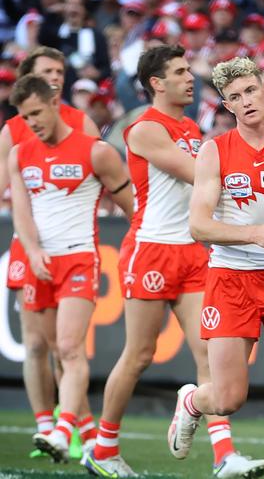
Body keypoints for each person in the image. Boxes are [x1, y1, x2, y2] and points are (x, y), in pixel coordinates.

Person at [82, 45, 264, 478]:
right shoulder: (144, 129)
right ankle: (103, 449)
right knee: (139, 354)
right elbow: (200, 175)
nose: (191, 78)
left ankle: (224, 457)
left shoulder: (188, 126)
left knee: (209, 353)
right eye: (181, 72)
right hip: (151, 249)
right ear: (156, 83)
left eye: (189, 70)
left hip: (191, 252)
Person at [169, 56, 264, 479]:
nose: (246, 101)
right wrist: (254, 234)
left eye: (251, 91)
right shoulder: (214, 150)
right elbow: (199, 225)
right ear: (227, 105)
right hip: (229, 278)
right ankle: (192, 402)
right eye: (235, 97)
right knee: (228, 398)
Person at [7, 73, 132, 463]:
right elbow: (21, 213)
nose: (32, 123)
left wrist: (137, 245)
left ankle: (62, 432)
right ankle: (89, 435)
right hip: (39, 262)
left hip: (79, 257)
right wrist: (32, 250)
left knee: (69, 348)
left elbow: (133, 206)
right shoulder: (19, 154)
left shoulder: (95, 151)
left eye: (37, 113)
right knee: (52, 352)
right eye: (25, 118)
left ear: (55, 104)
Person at [0, 45, 101, 459]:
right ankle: (50, 426)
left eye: (60, 70)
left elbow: (97, 182)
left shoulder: (83, 124)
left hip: (72, 248)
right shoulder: (15, 132)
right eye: (47, 70)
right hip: (28, 246)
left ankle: (75, 428)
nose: (56, 76)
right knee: (38, 344)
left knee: (67, 345)